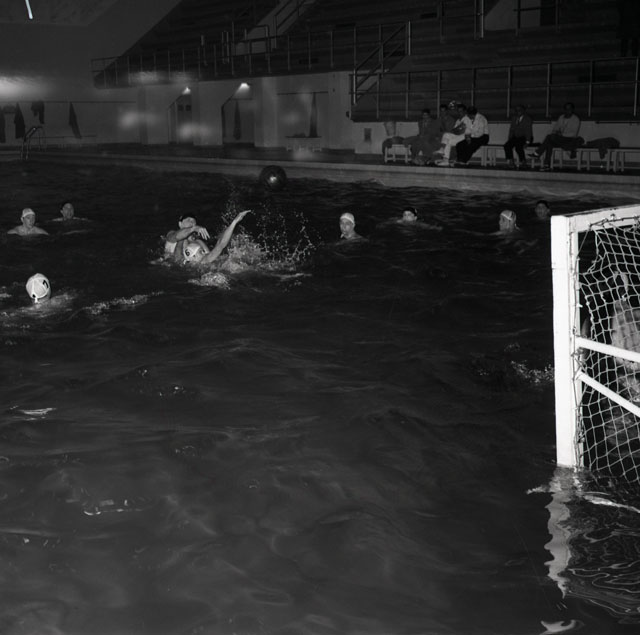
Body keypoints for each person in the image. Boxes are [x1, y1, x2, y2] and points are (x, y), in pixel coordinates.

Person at [180, 209, 251, 265]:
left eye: (193, 221)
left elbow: (214, 250)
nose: (192, 222)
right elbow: (220, 245)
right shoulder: (204, 261)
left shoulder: (198, 243)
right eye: (201, 252)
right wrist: (234, 222)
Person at [531, 103, 581, 171]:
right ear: (564, 110)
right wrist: (556, 132)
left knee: (549, 137)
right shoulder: (561, 117)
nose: (568, 110)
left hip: (569, 139)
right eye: (566, 109)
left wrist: (561, 134)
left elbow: (574, 134)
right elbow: (555, 128)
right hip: (559, 139)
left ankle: (537, 153)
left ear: (572, 110)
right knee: (549, 142)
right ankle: (546, 165)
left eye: (569, 109)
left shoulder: (575, 119)